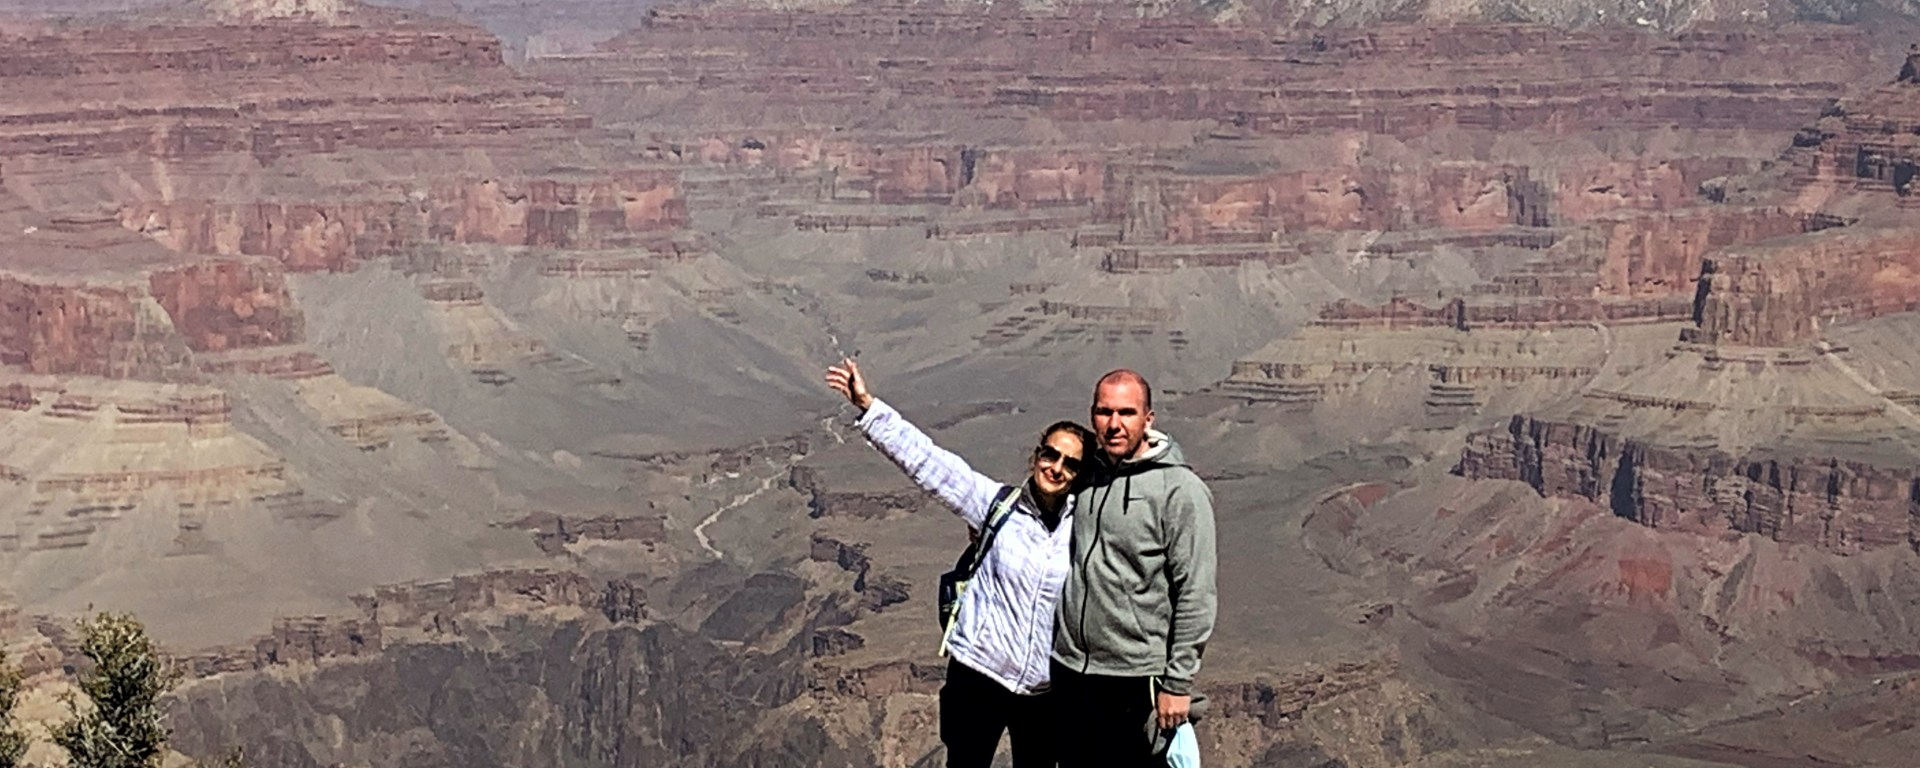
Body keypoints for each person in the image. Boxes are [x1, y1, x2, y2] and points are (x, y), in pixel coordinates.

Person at [825, 357, 1089, 768]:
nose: (1056, 467)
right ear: (1037, 455)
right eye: (1050, 455)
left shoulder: (1085, 531)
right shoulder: (996, 505)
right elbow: (932, 465)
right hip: (977, 674)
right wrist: (869, 407)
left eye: (1070, 463)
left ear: (1081, 475)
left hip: (1041, 689)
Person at [1051, 369, 1218, 768]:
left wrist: (1178, 683)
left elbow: (1196, 593)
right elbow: (1043, 498)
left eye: (1126, 412)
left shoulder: (1180, 491)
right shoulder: (1086, 476)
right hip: (1070, 672)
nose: (1114, 424)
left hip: (1135, 679)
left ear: (1148, 418)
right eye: (1104, 412)